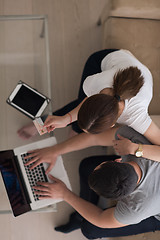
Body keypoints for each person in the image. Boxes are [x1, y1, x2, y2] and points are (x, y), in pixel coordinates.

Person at [32, 126, 160, 239]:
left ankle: (80, 217)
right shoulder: (134, 142)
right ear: (118, 161)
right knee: (87, 166)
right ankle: (79, 214)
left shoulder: (135, 210)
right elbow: (94, 138)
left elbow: (100, 218)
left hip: (156, 214)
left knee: (89, 229)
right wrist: (54, 150)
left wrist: (65, 194)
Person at [18, 49, 160, 146]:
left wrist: (137, 150)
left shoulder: (137, 116)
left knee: (86, 118)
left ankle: (71, 128)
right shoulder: (93, 83)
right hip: (103, 59)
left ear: (112, 125)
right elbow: (86, 102)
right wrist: (66, 119)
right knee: (81, 115)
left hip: (131, 68)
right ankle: (68, 128)